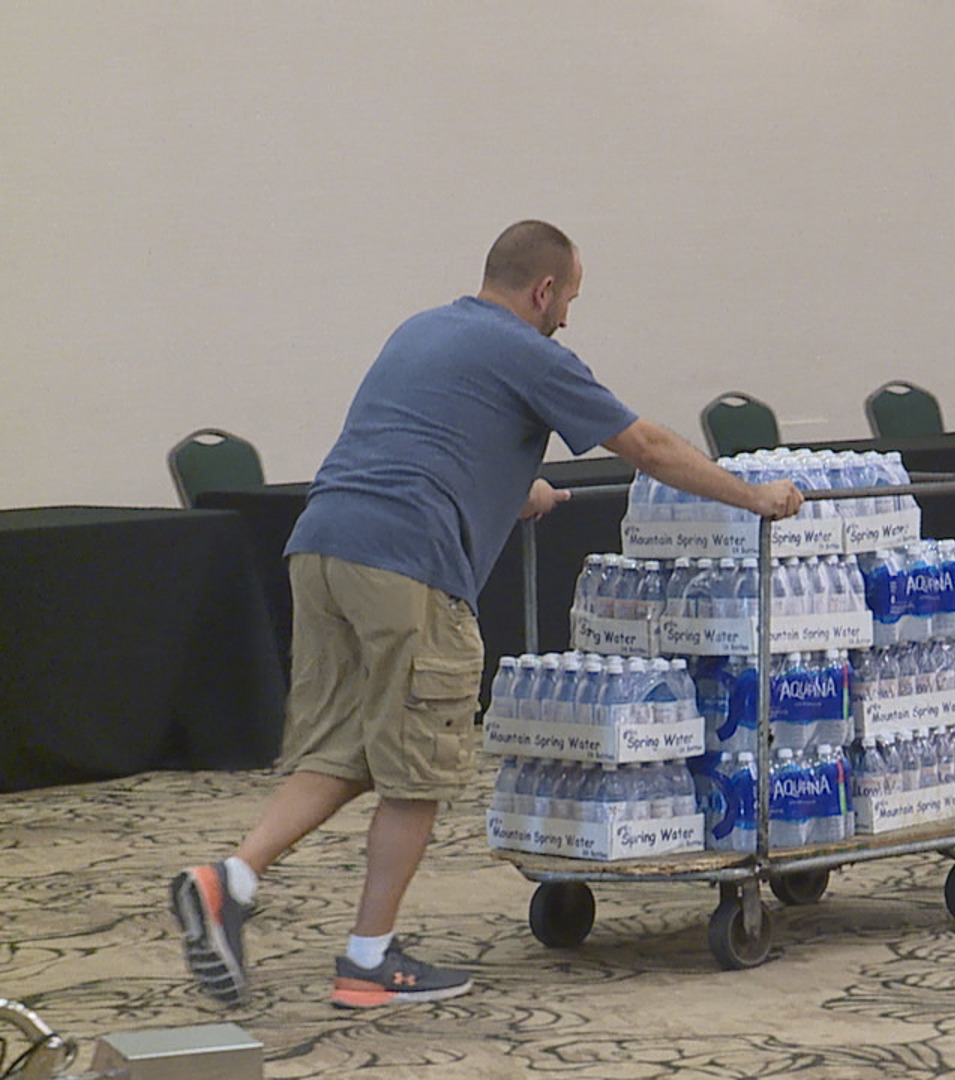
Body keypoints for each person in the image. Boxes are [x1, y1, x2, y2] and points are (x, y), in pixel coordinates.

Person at [168, 221, 803, 1008]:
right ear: (543, 291)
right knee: (417, 772)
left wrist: (512, 488)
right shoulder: (533, 351)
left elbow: (426, 440)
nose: (568, 315)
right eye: (568, 298)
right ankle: (369, 961)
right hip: (409, 566)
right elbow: (645, 446)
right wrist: (755, 499)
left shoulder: (425, 329)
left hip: (322, 547)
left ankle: (227, 877)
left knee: (342, 749)